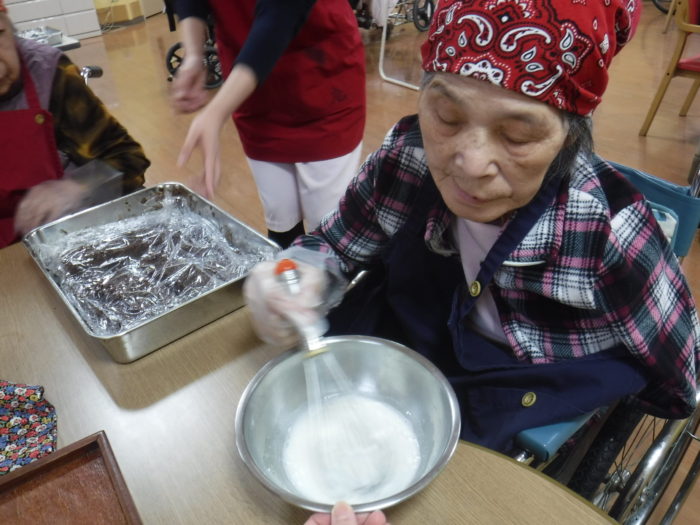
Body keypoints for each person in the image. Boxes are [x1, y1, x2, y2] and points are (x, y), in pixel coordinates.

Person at [245, 0, 700, 459]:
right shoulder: (407, 157)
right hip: (406, 360)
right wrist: (296, 273)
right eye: (447, 117)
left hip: (518, 398)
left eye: (517, 136)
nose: (470, 163)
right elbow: (334, 245)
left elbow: (680, 377)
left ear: (571, 135)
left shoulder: (607, 234)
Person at [171, 0, 366, 248]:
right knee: (280, 219)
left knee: (328, 236)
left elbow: (281, 13)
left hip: (321, 83)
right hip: (252, 92)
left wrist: (215, 113)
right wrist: (194, 55)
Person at [0, 4, 150, 247]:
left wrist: (77, 187)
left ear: (9, 27)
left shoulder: (50, 75)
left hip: (64, 237)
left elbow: (127, 158)